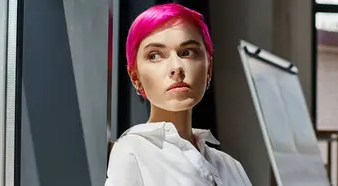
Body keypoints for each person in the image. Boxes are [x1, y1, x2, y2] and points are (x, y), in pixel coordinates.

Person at [105, 3, 252, 186]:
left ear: (209, 68)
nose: (176, 68)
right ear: (135, 77)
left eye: (187, 52)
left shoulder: (231, 166)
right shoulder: (132, 152)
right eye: (155, 55)